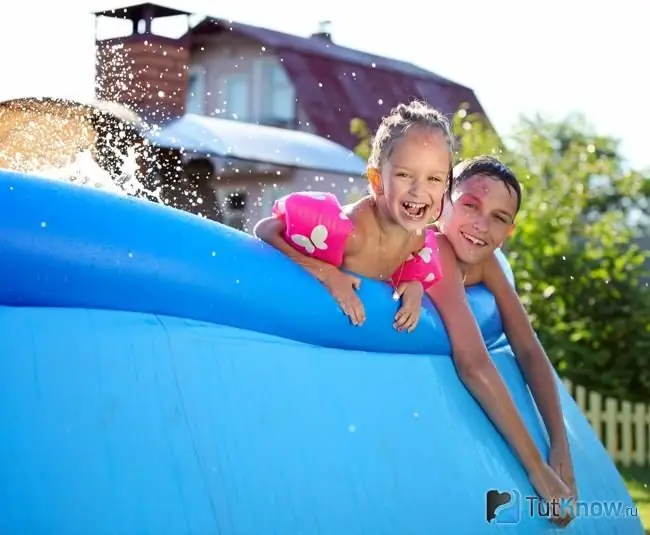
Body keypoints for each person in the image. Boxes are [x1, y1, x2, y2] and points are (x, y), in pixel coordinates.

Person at [429, 155, 577, 527]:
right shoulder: (435, 248)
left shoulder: (486, 261)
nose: (481, 225)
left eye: (498, 218)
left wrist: (559, 442)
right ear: (442, 202)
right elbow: (473, 364)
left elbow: (527, 348)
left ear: (509, 232)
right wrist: (537, 469)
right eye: (470, 205)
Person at [254, 100, 452, 332]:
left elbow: (407, 269)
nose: (419, 190)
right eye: (405, 175)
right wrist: (328, 274)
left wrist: (415, 286)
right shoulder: (352, 233)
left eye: (434, 179)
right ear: (377, 181)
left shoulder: (416, 239)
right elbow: (265, 229)